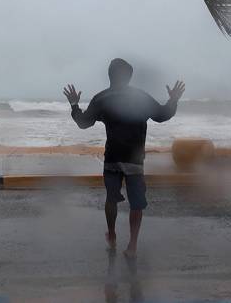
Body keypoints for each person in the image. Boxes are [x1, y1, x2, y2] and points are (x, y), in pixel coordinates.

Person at [64, 58, 185, 258]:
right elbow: (162, 115)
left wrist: (75, 105)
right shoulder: (141, 98)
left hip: (112, 158)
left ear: (110, 75)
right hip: (134, 160)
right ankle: (132, 245)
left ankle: (111, 234)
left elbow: (84, 123)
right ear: (129, 76)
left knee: (111, 200)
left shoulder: (101, 98)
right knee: (136, 203)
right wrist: (173, 100)